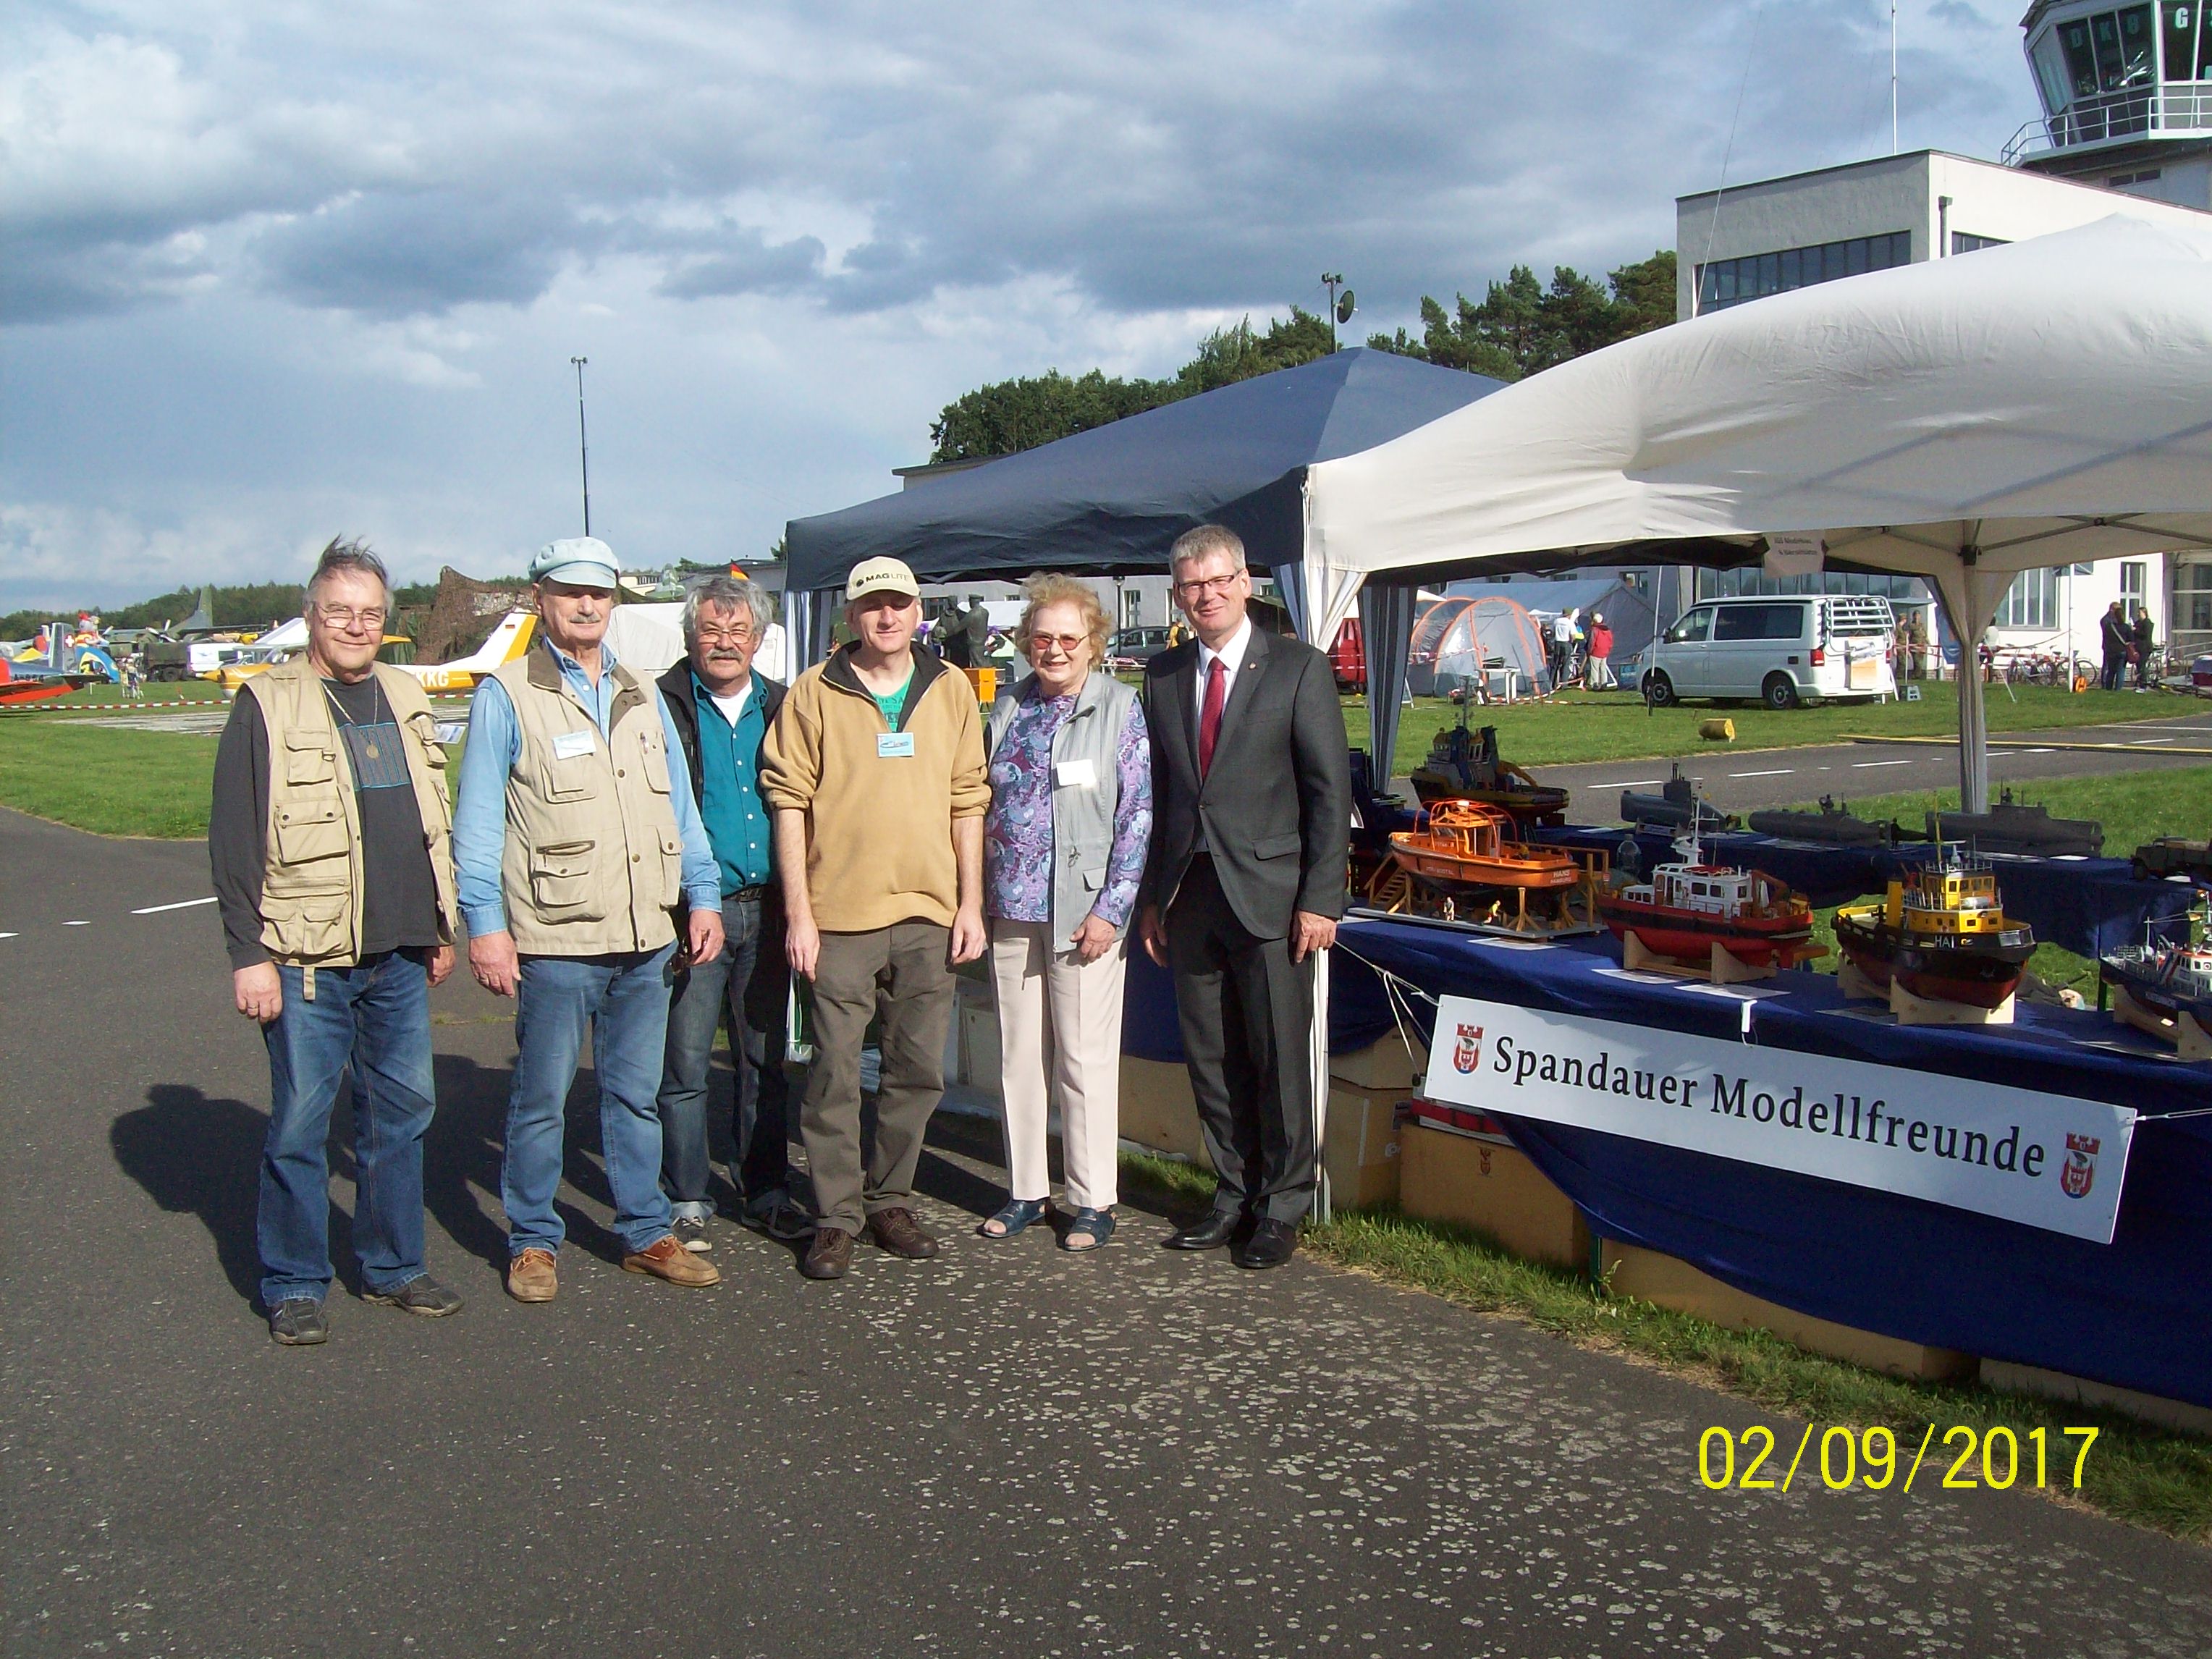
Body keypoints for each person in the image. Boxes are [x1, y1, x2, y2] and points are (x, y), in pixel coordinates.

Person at [453, 538, 725, 1301]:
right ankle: (533, 1240)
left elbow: (680, 806)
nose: (585, 605)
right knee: (542, 1098)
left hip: (646, 937)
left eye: (599, 594)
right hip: (557, 937)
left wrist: (700, 895)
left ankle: (644, 1231)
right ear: (539, 597)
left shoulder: (642, 693)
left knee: (634, 1095)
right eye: (569, 591)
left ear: (612, 602)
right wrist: (485, 924)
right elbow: (477, 824)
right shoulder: (506, 694)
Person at [211, 538, 463, 1345]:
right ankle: (293, 1281)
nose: (355, 626)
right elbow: (235, 837)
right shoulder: (267, 701)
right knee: (299, 1124)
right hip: (307, 958)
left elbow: (429, 818)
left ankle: (392, 1266)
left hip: (398, 952)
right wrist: (249, 954)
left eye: (370, 614)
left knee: (403, 1114)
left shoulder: (402, 692)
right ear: (311, 617)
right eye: (339, 612)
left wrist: (437, 924)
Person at [761, 555, 990, 1280]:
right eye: (870, 605)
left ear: (916, 610)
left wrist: (970, 903)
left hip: (929, 913)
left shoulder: (949, 688)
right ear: (850, 616)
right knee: (831, 1071)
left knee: (915, 1070)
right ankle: (835, 1217)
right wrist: (799, 914)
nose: (885, 617)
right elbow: (788, 802)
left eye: (897, 604)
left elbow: (968, 800)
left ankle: (890, 1198)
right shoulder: (814, 691)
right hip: (838, 918)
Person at [1137, 525, 1351, 1270]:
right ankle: (1230, 1192)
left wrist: (1321, 899)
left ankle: (1280, 1206)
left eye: (1219, 580)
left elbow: (1329, 792)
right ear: (1177, 594)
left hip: (1272, 896)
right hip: (1189, 897)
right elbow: (1160, 797)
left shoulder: (1298, 667)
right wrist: (1149, 901)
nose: (1207, 595)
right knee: (1211, 1057)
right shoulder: (1162, 677)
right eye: (1192, 585)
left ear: (1246, 584)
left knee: (1276, 1060)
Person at [979, 575, 1152, 1251]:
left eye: (1068, 639)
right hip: (1011, 906)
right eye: (1042, 637)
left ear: (1093, 644)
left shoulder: (1118, 707)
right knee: (1019, 1057)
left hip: (1084, 910)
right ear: (1026, 642)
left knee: (1082, 1057)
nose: (1054, 650)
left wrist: (1113, 908)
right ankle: (1026, 1188)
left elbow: (1137, 815)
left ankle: (1092, 1198)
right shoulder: (1008, 705)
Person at [654, 575, 813, 1251]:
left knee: (765, 1060)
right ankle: (687, 1194)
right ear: (690, 636)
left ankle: (766, 1188)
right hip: (695, 912)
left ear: (759, 639)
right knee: (686, 1063)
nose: (723, 643)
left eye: (737, 631)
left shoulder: (785, 706)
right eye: (710, 631)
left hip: (771, 908)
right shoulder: (659, 705)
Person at [2100, 601, 2132, 693]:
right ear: (2112, 609)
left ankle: (2109, 686)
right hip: (2110, 647)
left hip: (2112, 647)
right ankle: (2106, 684)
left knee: (2112, 669)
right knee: (2109, 667)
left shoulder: (2112, 621)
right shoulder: (2107, 621)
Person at [1584, 612, 1616, 691]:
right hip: (1605, 651)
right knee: (1603, 668)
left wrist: (1589, 651)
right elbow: (1611, 641)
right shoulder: (1608, 630)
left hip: (1596, 651)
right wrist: (1608, 650)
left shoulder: (1595, 629)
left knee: (1595, 668)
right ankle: (1604, 683)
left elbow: (1592, 641)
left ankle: (1595, 683)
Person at [2133, 608, 2157, 691]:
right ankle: (2140, 681)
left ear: (2144, 613)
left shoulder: (2147, 623)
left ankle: (2143, 683)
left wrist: (2135, 630)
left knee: (2142, 665)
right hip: (2138, 647)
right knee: (2139, 665)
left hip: (2145, 648)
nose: (2138, 615)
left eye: (2139, 613)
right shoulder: (2138, 623)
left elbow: (2145, 634)